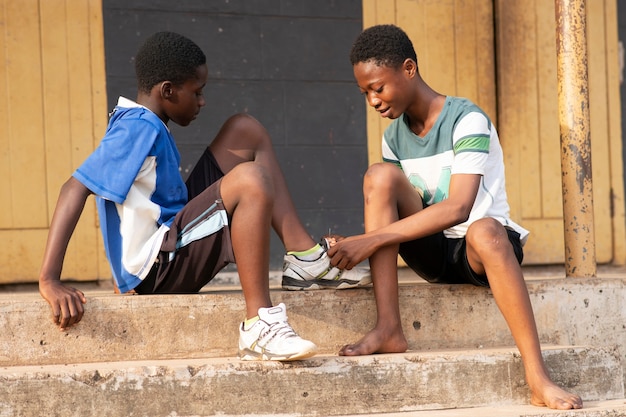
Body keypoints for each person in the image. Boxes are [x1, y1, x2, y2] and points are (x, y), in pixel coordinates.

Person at [38, 31, 369, 361]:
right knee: (251, 180)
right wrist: (50, 278)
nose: (202, 101)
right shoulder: (136, 128)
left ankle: (304, 259)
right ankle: (259, 324)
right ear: (168, 90)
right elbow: (74, 187)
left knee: (244, 130)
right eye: (196, 92)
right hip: (158, 270)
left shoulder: (146, 123)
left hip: (171, 242)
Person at [326, 24, 583, 409]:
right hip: (433, 252)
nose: (373, 101)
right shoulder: (393, 137)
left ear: (409, 69)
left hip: (483, 251)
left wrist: (370, 239)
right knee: (379, 176)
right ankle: (388, 327)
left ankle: (538, 376)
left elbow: (459, 207)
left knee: (483, 230)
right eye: (365, 93)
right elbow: (401, 205)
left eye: (378, 88)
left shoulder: (467, 119)